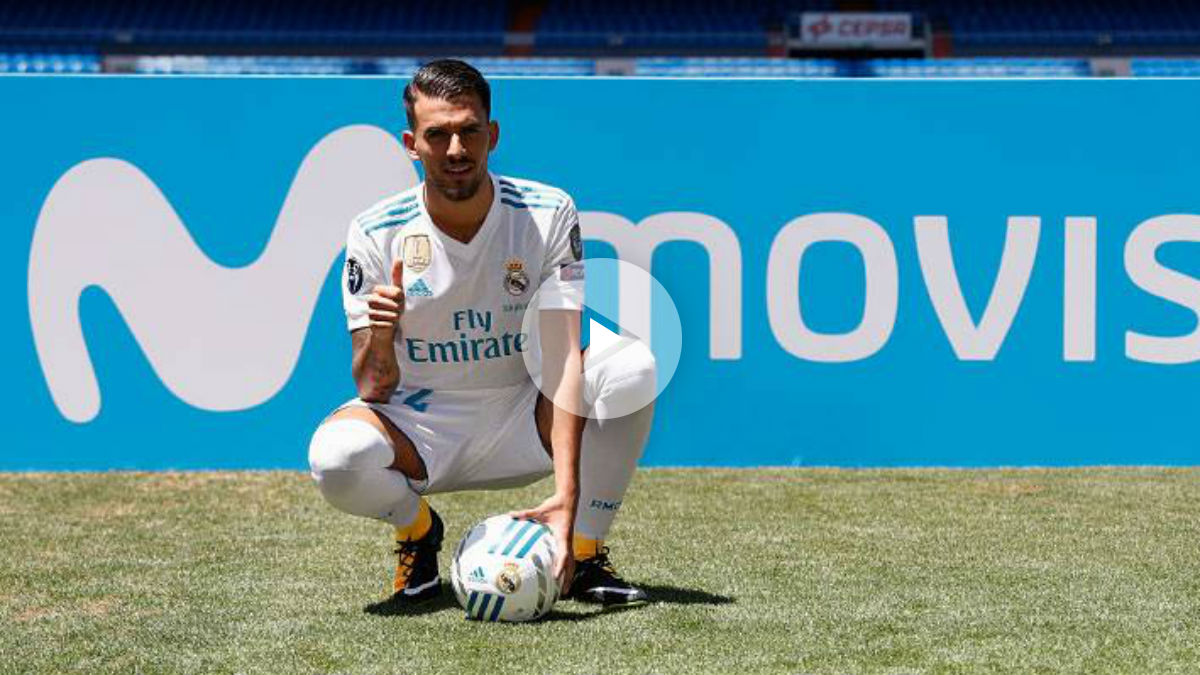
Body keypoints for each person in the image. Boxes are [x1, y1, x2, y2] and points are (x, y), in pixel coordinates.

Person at [307, 59, 656, 607]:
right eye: (437, 134)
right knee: (336, 457)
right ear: (410, 143)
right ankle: (418, 531)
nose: (455, 150)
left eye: (469, 130)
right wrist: (381, 330)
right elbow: (372, 388)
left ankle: (584, 552)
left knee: (632, 367)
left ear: (492, 135)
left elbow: (563, 355)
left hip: (524, 414)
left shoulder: (546, 212)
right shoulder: (375, 230)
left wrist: (567, 494)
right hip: (422, 429)